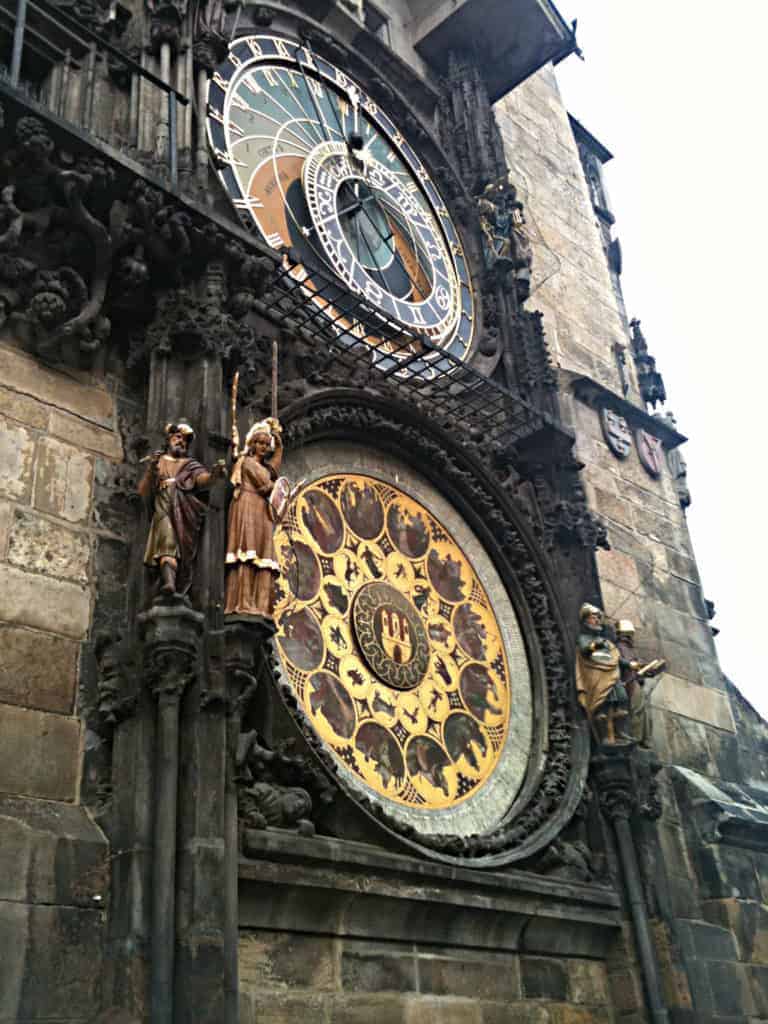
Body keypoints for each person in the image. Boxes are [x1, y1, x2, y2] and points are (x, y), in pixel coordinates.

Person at [139, 422, 222, 596]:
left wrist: (214, 475)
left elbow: (203, 481)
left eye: (185, 440)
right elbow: (143, 491)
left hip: (184, 514)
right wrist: (152, 470)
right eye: (178, 437)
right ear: (169, 439)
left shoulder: (190, 465)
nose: (182, 442)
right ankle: (168, 583)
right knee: (167, 542)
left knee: (178, 549)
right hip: (162, 510)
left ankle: (174, 582)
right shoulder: (158, 461)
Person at [224, 417, 282, 618]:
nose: (264, 448)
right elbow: (265, 484)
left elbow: (272, 469)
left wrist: (279, 443)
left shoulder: (264, 467)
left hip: (261, 510)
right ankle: (243, 601)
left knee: (263, 555)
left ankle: (261, 605)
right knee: (247, 552)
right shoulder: (248, 463)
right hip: (248, 505)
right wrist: (278, 486)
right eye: (260, 443)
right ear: (252, 444)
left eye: (267, 445)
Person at [575, 603, 630, 745]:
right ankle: (606, 736)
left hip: (612, 674)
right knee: (603, 707)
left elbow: (616, 657)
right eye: (593, 617)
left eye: (598, 618)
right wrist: (595, 645)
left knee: (622, 700)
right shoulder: (584, 637)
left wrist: (630, 664)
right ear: (586, 620)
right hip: (597, 676)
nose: (597, 620)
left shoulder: (606, 642)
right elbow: (584, 650)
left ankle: (619, 733)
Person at [615, 620, 665, 747]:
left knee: (642, 710)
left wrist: (649, 669)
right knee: (636, 709)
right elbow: (619, 660)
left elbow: (636, 665)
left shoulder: (629, 649)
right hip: (629, 682)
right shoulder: (619, 646)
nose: (630, 638)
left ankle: (644, 738)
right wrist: (630, 665)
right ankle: (635, 738)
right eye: (628, 635)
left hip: (635, 680)